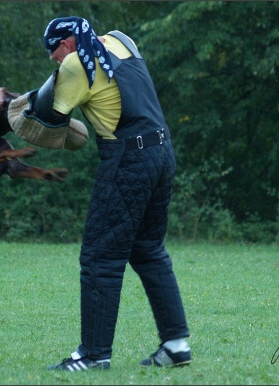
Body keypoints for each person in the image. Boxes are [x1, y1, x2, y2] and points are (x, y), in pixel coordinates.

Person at [34, 16, 191, 371]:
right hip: (163, 152)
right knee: (148, 249)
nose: (53, 59)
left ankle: (93, 355)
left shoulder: (76, 63)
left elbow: (49, 120)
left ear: (68, 42)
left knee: (98, 256)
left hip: (128, 159)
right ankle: (176, 344)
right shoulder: (121, 40)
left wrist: (12, 110)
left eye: (53, 50)